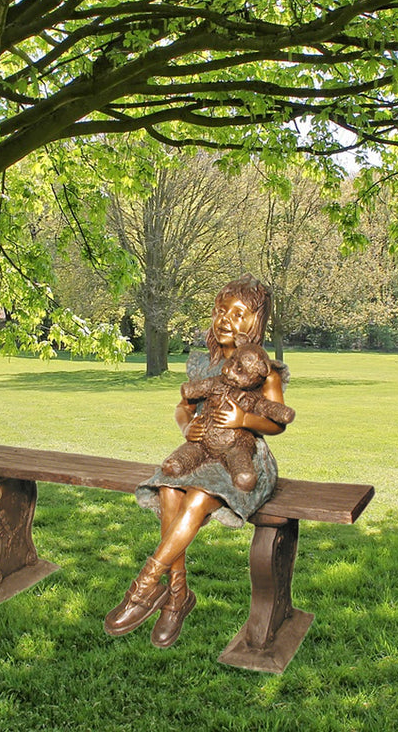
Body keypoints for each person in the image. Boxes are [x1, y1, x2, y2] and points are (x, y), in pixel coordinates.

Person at [104, 274, 290, 648]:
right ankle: (177, 596)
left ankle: (144, 586)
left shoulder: (262, 368)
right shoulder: (203, 364)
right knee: (170, 488)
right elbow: (183, 404)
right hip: (203, 449)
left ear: (254, 324)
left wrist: (242, 419)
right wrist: (187, 424)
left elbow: (277, 421)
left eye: (238, 315)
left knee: (200, 495)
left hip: (245, 459)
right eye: (222, 311)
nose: (225, 320)